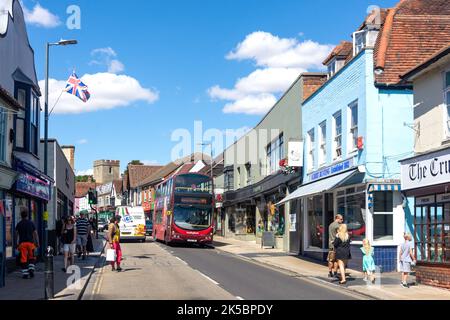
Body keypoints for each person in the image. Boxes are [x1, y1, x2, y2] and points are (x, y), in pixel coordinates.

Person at [15, 208, 39, 279]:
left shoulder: (19, 224)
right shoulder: (31, 223)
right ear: (27, 216)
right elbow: (35, 233)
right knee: (32, 257)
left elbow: (16, 234)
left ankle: (25, 273)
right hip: (30, 243)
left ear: (21, 216)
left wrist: (16, 243)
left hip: (22, 244)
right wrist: (37, 242)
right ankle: (31, 269)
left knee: (23, 258)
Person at [327, 214, 343, 278]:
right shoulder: (338, 226)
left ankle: (330, 272)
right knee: (336, 260)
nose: (342, 220)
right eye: (341, 219)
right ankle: (335, 273)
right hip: (337, 245)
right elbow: (340, 235)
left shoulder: (331, 225)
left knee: (331, 259)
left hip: (331, 245)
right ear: (337, 218)